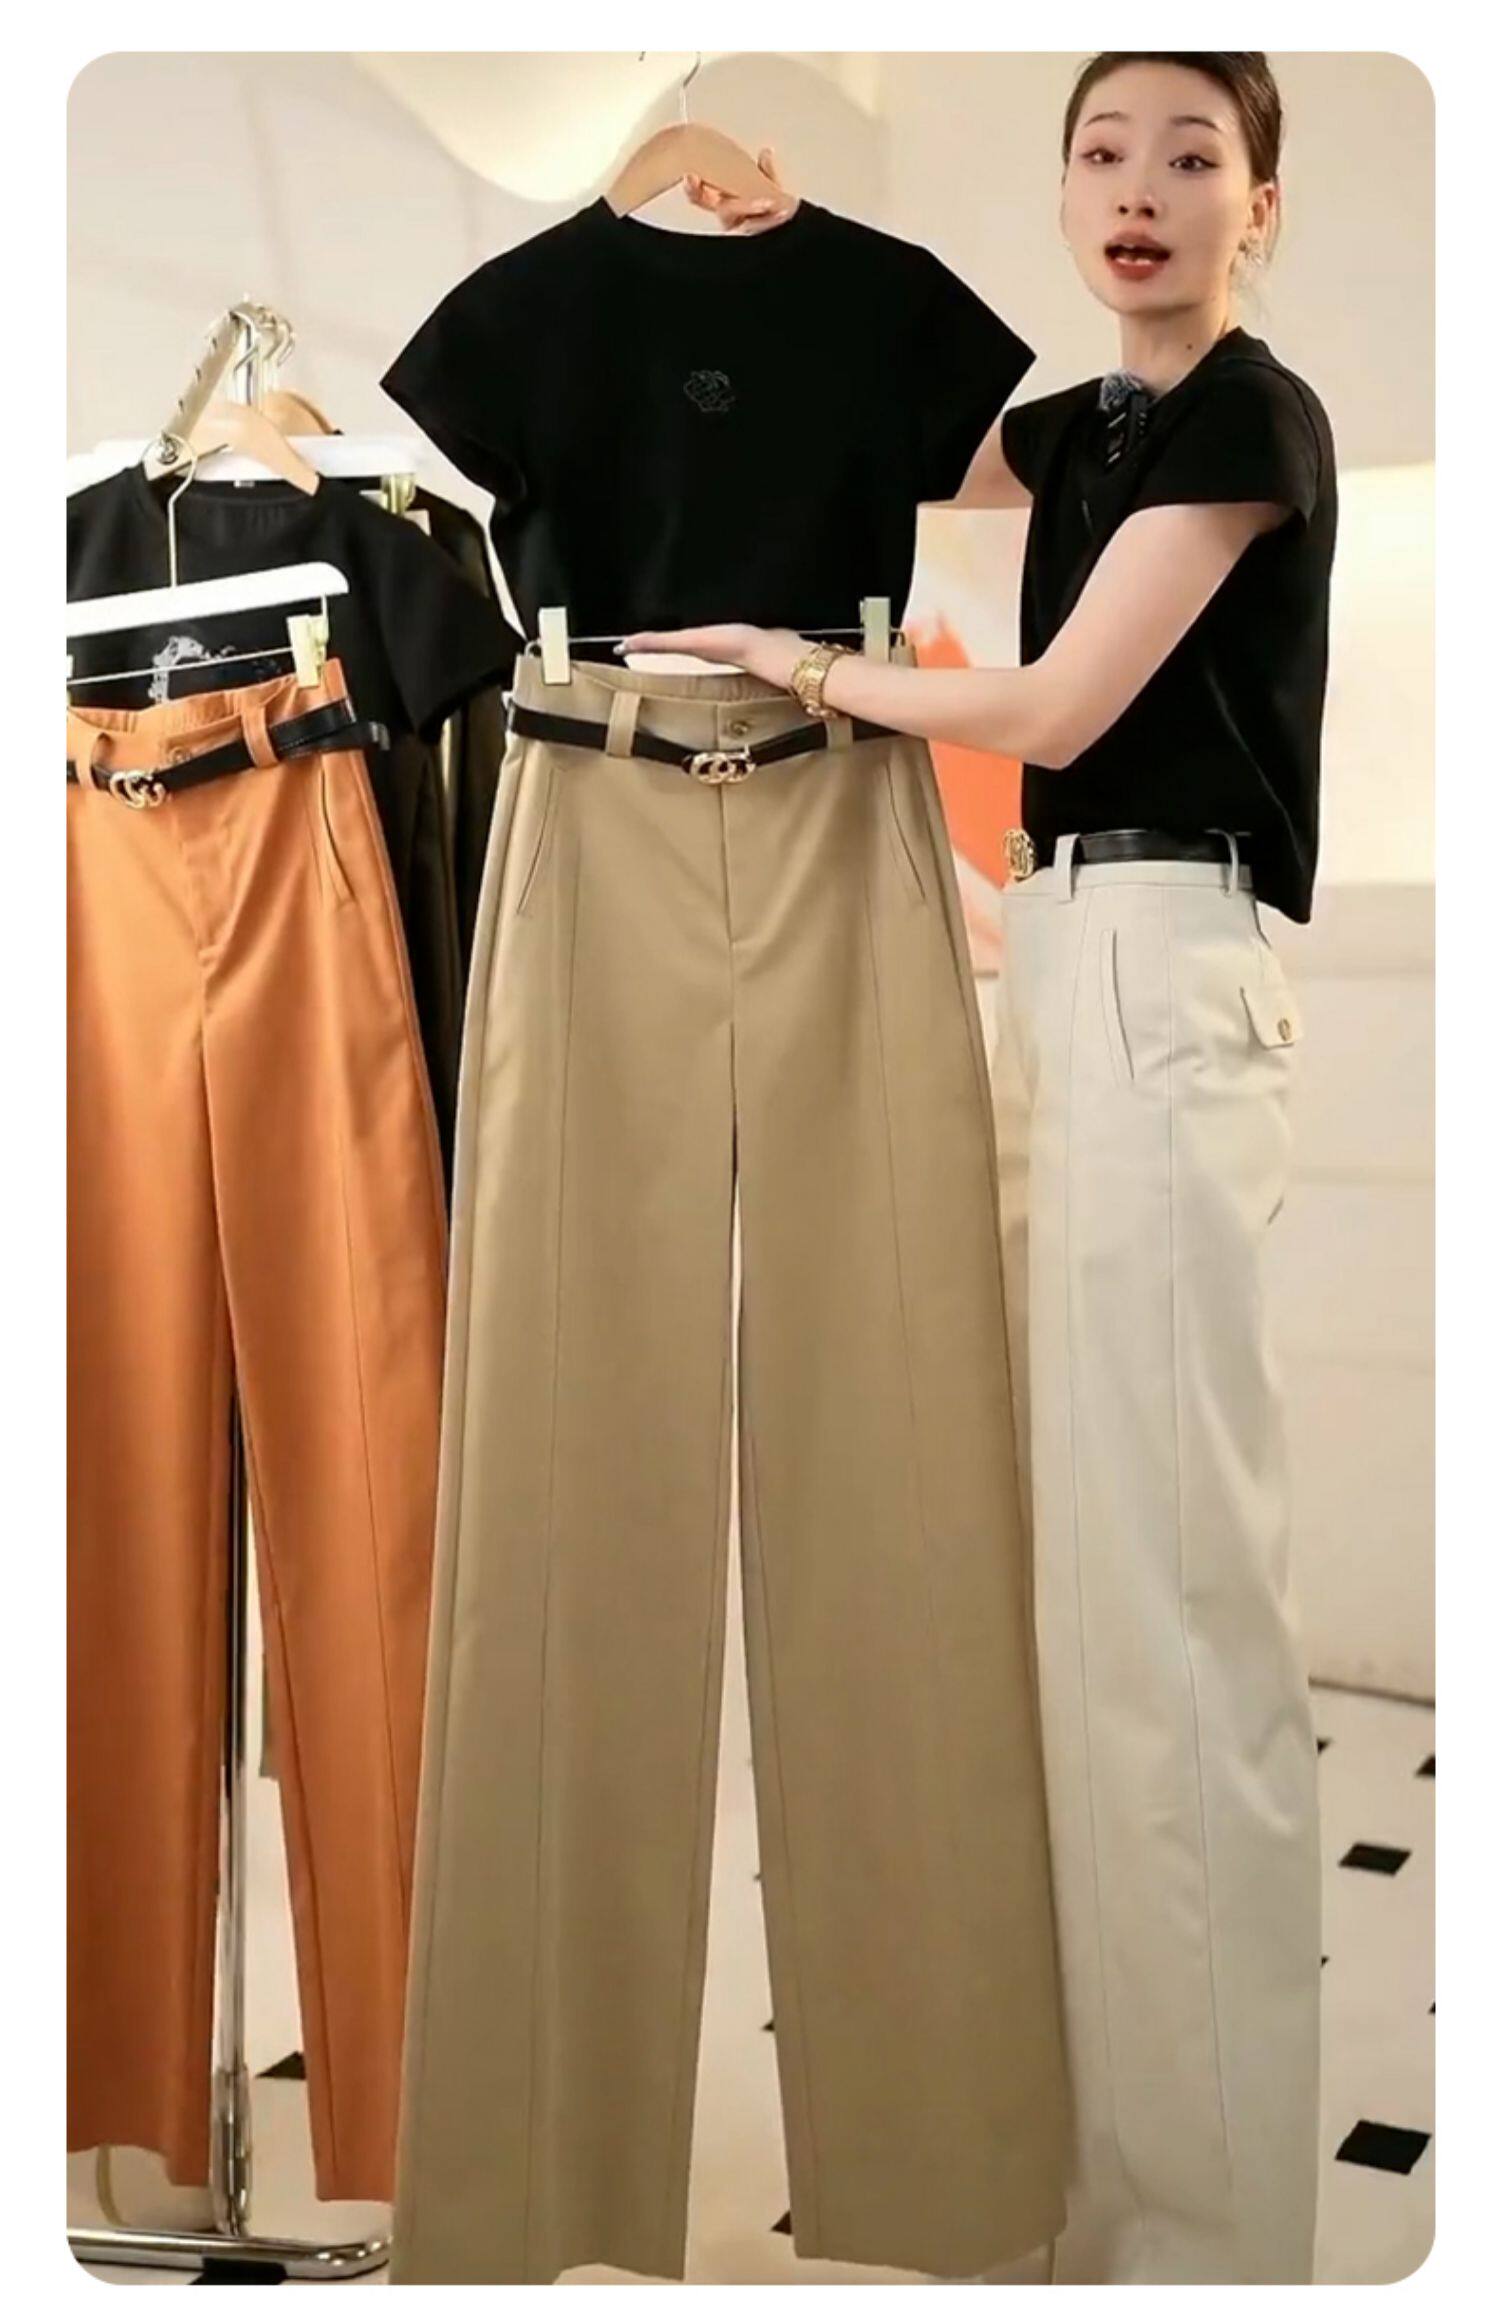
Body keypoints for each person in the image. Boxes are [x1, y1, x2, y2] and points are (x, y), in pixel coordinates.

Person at [623, 50, 1336, 2287]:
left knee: (1177, 1622)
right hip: (1078, 958)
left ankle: (1210, 2236)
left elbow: (1052, 713)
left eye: (1194, 157)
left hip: (1176, 956)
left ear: (1260, 206)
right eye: (1104, 152)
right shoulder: (1079, 429)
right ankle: (1114, 2193)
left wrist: (813, 678)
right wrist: (750, 228)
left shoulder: (1247, 420)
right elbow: (882, 422)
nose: (1143, 190)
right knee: (1089, 1609)